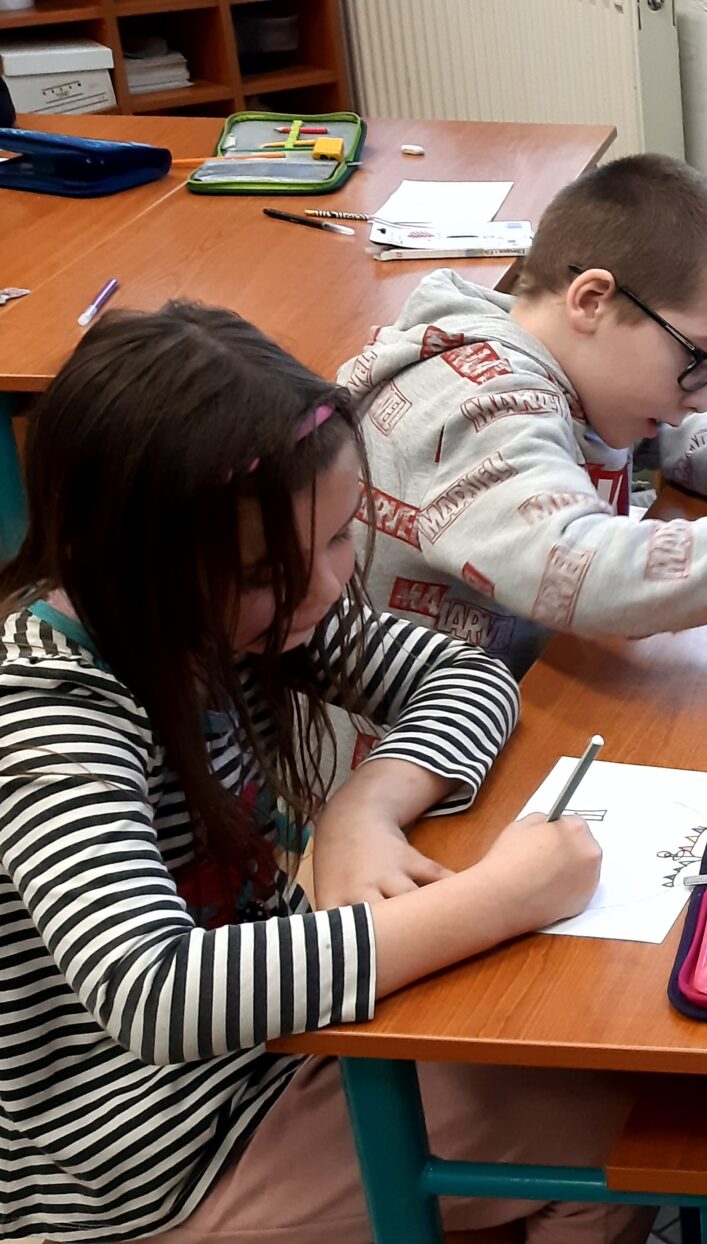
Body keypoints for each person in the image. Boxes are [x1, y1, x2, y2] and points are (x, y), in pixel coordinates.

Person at [0, 303, 642, 1243]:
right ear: (132, 557)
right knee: (615, 1135)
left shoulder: (254, 611)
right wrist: (501, 899)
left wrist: (363, 809)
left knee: (592, 1063)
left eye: (342, 537)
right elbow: (157, 990)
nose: (330, 587)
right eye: (270, 572)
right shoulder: (51, 715)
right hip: (151, 1166)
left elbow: (468, 676)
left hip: (267, 1061)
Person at [339, 152, 707, 673]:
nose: (704, 396)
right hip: (410, 758)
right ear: (593, 301)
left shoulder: (564, 362)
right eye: (699, 359)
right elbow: (591, 575)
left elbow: (659, 417)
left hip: (519, 691)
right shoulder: (478, 407)